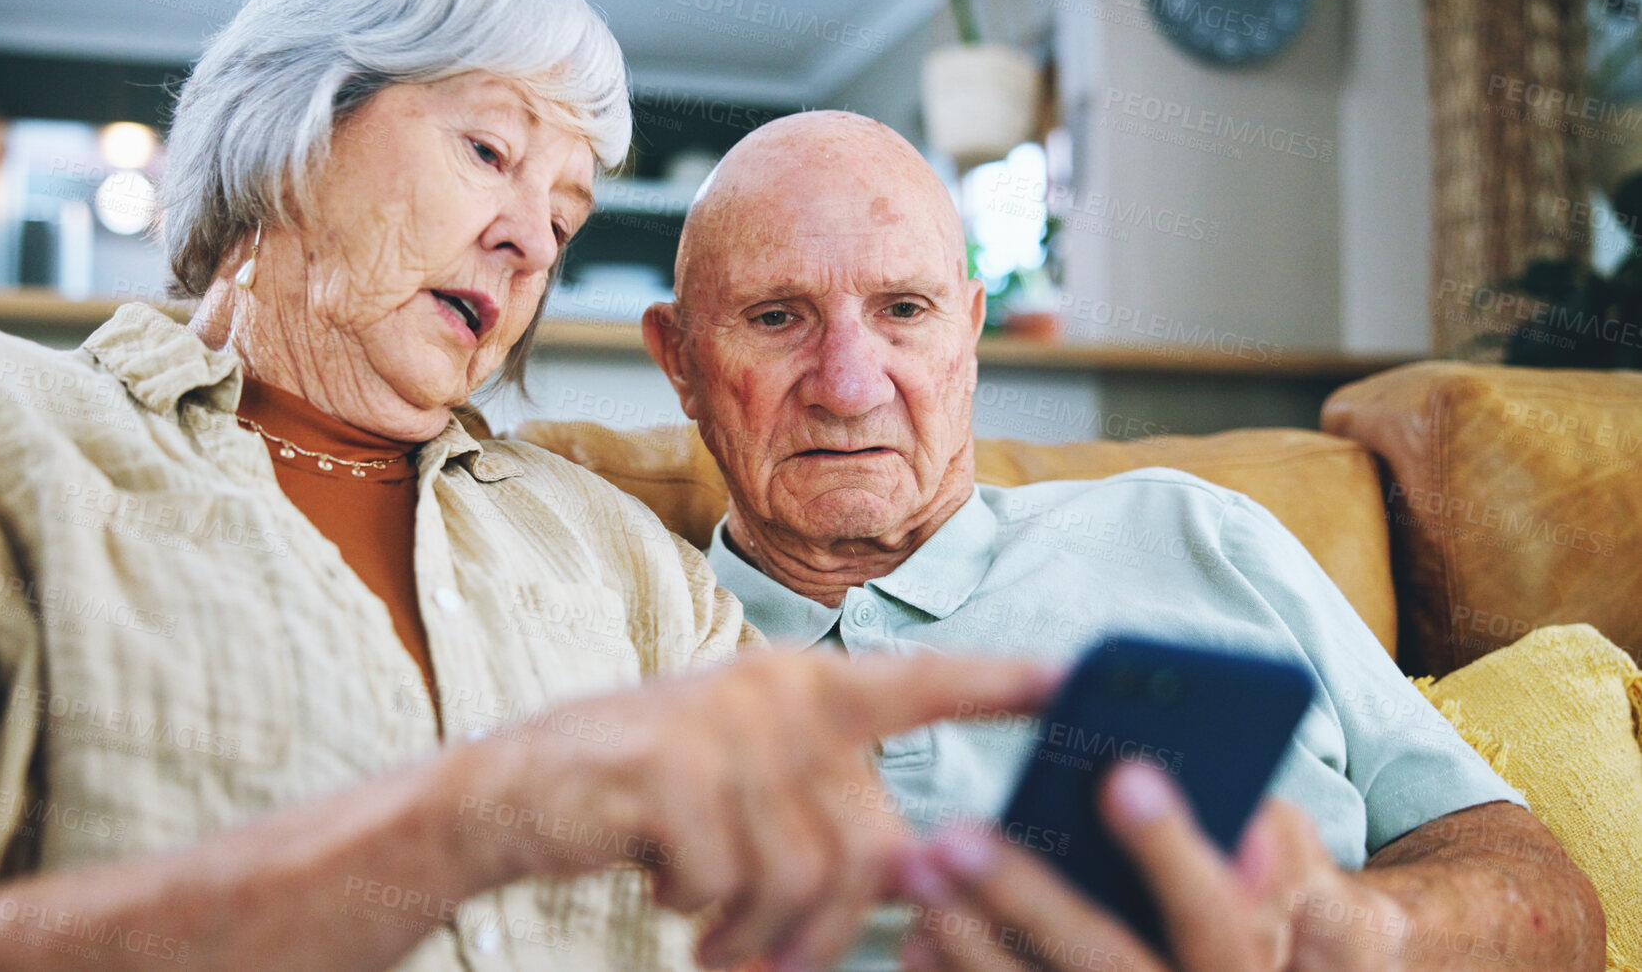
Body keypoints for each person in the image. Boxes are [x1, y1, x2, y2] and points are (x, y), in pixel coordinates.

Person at [0, 0, 1059, 972]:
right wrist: (450, 825)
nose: (531, 236)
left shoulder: (616, 558)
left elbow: (867, 923)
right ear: (291, 135)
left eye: (565, 212)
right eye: (488, 151)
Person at [642, 110, 1606, 971]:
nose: (849, 384)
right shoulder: (631, 640)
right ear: (680, 360)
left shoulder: (1195, 531)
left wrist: (1354, 931)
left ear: (968, 331)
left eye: (903, 310)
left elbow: (1548, 902)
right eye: (776, 318)